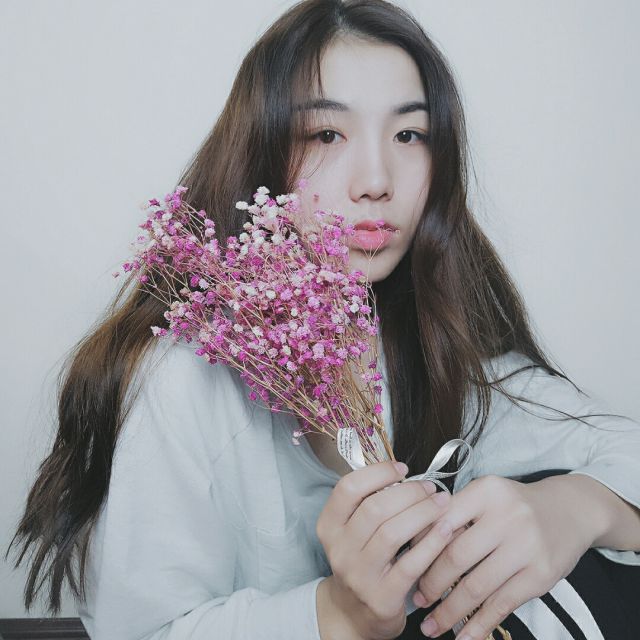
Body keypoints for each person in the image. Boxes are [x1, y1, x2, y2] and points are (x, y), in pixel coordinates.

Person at [6, 1, 640, 638]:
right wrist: (340, 612)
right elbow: (144, 628)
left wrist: (579, 508)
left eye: (409, 135)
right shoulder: (182, 377)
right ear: (262, 152)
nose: (376, 181)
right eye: (325, 135)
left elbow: (613, 447)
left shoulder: (424, 335)